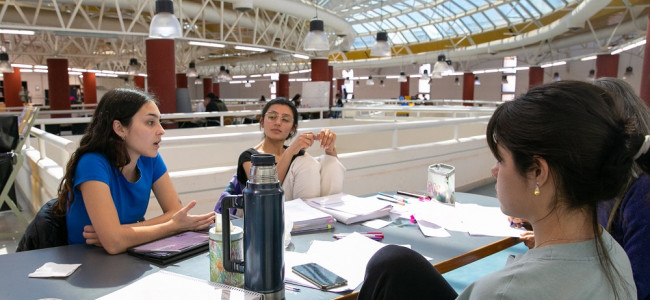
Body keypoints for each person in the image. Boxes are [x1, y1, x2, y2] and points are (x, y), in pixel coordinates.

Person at [359, 81, 637, 299]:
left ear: (538, 172)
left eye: (501, 159)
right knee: (395, 264)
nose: (494, 171)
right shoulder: (614, 254)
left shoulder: (503, 292)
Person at [52, 88, 215, 255]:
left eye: (159, 122)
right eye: (150, 122)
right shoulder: (92, 163)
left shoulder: (150, 158)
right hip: (87, 262)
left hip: (128, 257)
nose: (161, 130)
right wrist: (172, 226)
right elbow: (114, 244)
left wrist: (120, 232)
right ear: (120, 128)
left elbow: (175, 212)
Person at [235, 98, 344, 202]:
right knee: (306, 162)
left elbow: (331, 174)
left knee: (330, 162)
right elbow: (264, 191)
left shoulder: (298, 154)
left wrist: (330, 148)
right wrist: (290, 151)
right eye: (272, 117)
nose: (278, 123)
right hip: (266, 209)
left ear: (293, 129)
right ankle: (310, 216)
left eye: (285, 119)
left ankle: (329, 211)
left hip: (298, 207)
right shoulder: (249, 156)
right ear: (262, 122)